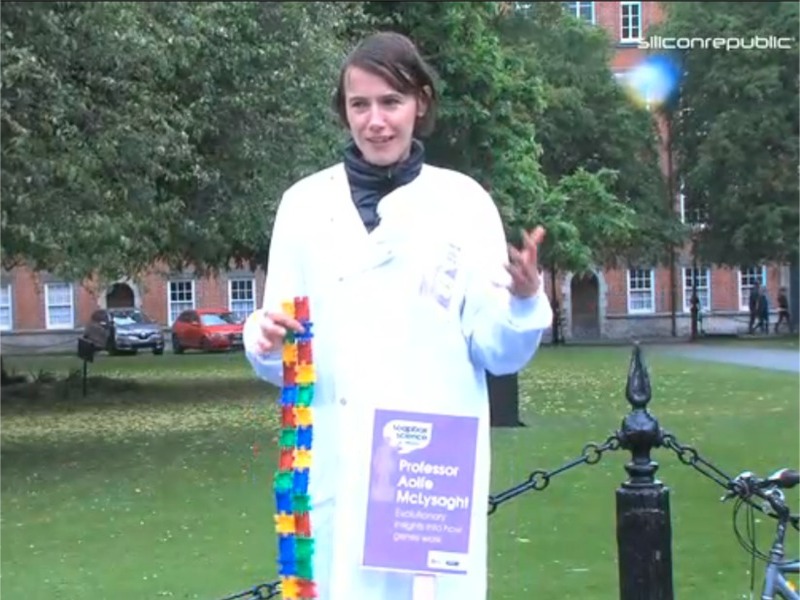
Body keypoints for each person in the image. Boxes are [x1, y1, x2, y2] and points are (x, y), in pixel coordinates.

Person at [243, 31, 552, 600]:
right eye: (360, 105)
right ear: (344, 111)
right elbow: (285, 345)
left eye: (391, 102)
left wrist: (524, 300)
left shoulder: (463, 203)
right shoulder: (304, 206)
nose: (376, 121)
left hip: (425, 473)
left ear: (421, 103)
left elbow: (496, 348)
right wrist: (263, 338)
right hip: (333, 459)